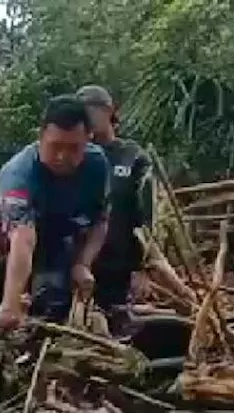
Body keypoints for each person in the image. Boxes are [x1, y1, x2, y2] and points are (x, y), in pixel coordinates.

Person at [0, 95, 111, 344]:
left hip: (56, 237)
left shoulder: (97, 165)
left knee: (51, 306)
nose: (63, 157)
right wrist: (10, 303)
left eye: (73, 148)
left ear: (88, 140)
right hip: (3, 240)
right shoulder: (19, 173)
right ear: (40, 136)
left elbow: (100, 221)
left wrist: (83, 263)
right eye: (55, 147)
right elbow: (23, 240)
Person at [77, 84, 155, 336]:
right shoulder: (75, 154)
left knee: (118, 332)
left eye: (92, 111)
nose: (88, 119)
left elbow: (146, 217)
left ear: (109, 111)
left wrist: (143, 268)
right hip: (80, 265)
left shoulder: (133, 157)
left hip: (119, 266)